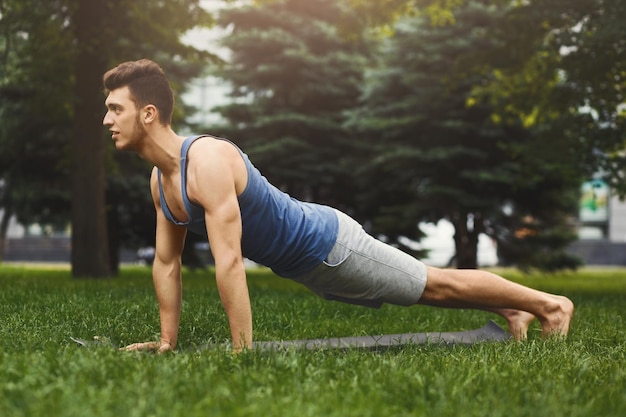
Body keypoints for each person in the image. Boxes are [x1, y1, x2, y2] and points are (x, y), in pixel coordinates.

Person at [102, 59, 574, 353]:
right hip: (310, 267)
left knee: (435, 286)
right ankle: (515, 312)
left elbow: (229, 261)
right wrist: (167, 341)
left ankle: (550, 306)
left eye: (115, 109)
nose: (106, 119)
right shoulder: (161, 181)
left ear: (148, 113)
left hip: (330, 246)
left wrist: (241, 353)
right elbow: (166, 263)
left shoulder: (205, 159)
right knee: (425, 288)